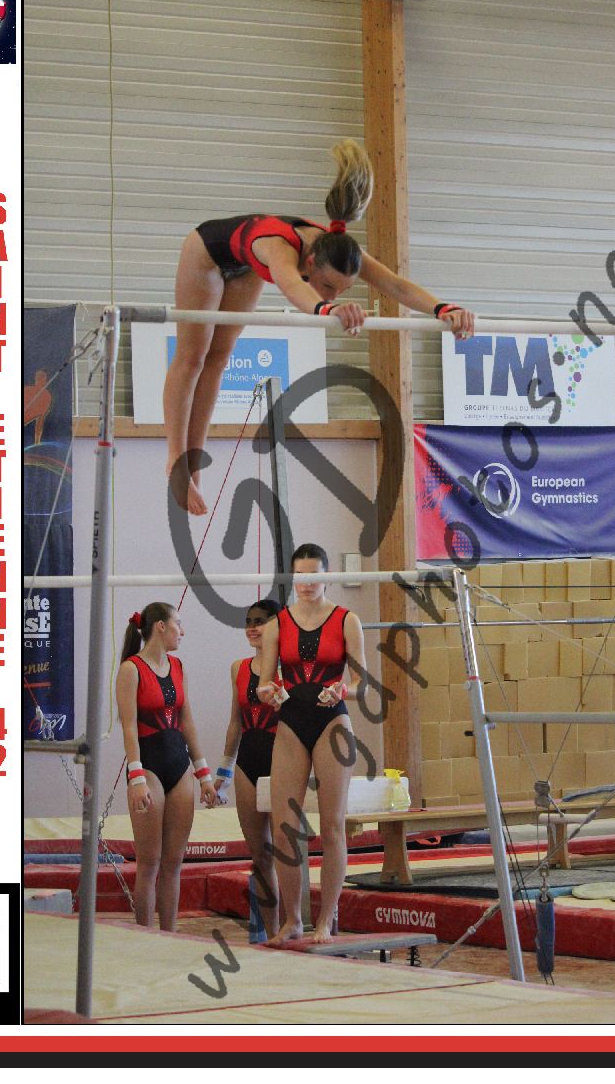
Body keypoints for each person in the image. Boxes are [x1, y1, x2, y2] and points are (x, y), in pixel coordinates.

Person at [163, 139, 477, 513]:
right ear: (310, 261)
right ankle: (175, 460)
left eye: (342, 289)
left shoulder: (342, 251)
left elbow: (396, 285)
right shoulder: (280, 248)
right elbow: (293, 286)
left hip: (246, 267)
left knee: (218, 358)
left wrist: (443, 308)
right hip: (207, 254)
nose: (332, 292)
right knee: (193, 356)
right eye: (327, 285)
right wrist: (327, 308)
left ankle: (193, 465)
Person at [256, 543, 365, 944]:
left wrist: (343, 690)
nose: (306, 584)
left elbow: (362, 683)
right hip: (291, 722)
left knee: (332, 825)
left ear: (327, 576)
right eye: (299, 576)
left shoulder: (346, 620)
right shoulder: (277, 625)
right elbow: (265, 681)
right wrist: (268, 693)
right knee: (284, 826)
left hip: (332, 722)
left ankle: (326, 918)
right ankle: (293, 920)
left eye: (314, 576)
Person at [115, 602, 216, 930]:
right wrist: (136, 778)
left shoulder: (178, 666)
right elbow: (129, 727)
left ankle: (169, 937)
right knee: (149, 863)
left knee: (173, 863)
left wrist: (204, 774)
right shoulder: (131, 669)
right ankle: (146, 939)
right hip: (149, 768)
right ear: (160, 626)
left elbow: (187, 722)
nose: (182, 631)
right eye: (178, 624)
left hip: (179, 765)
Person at [214, 599, 283, 938]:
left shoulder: (289, 668)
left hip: (282, 758)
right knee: (260, 856)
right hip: (248, 760)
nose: (253, 628)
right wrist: (223, 773)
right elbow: (235, 722)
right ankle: (271, 933)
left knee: (285, 851)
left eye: (261, 622)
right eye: (248, 622)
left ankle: (291, 926)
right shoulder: (238, 668)